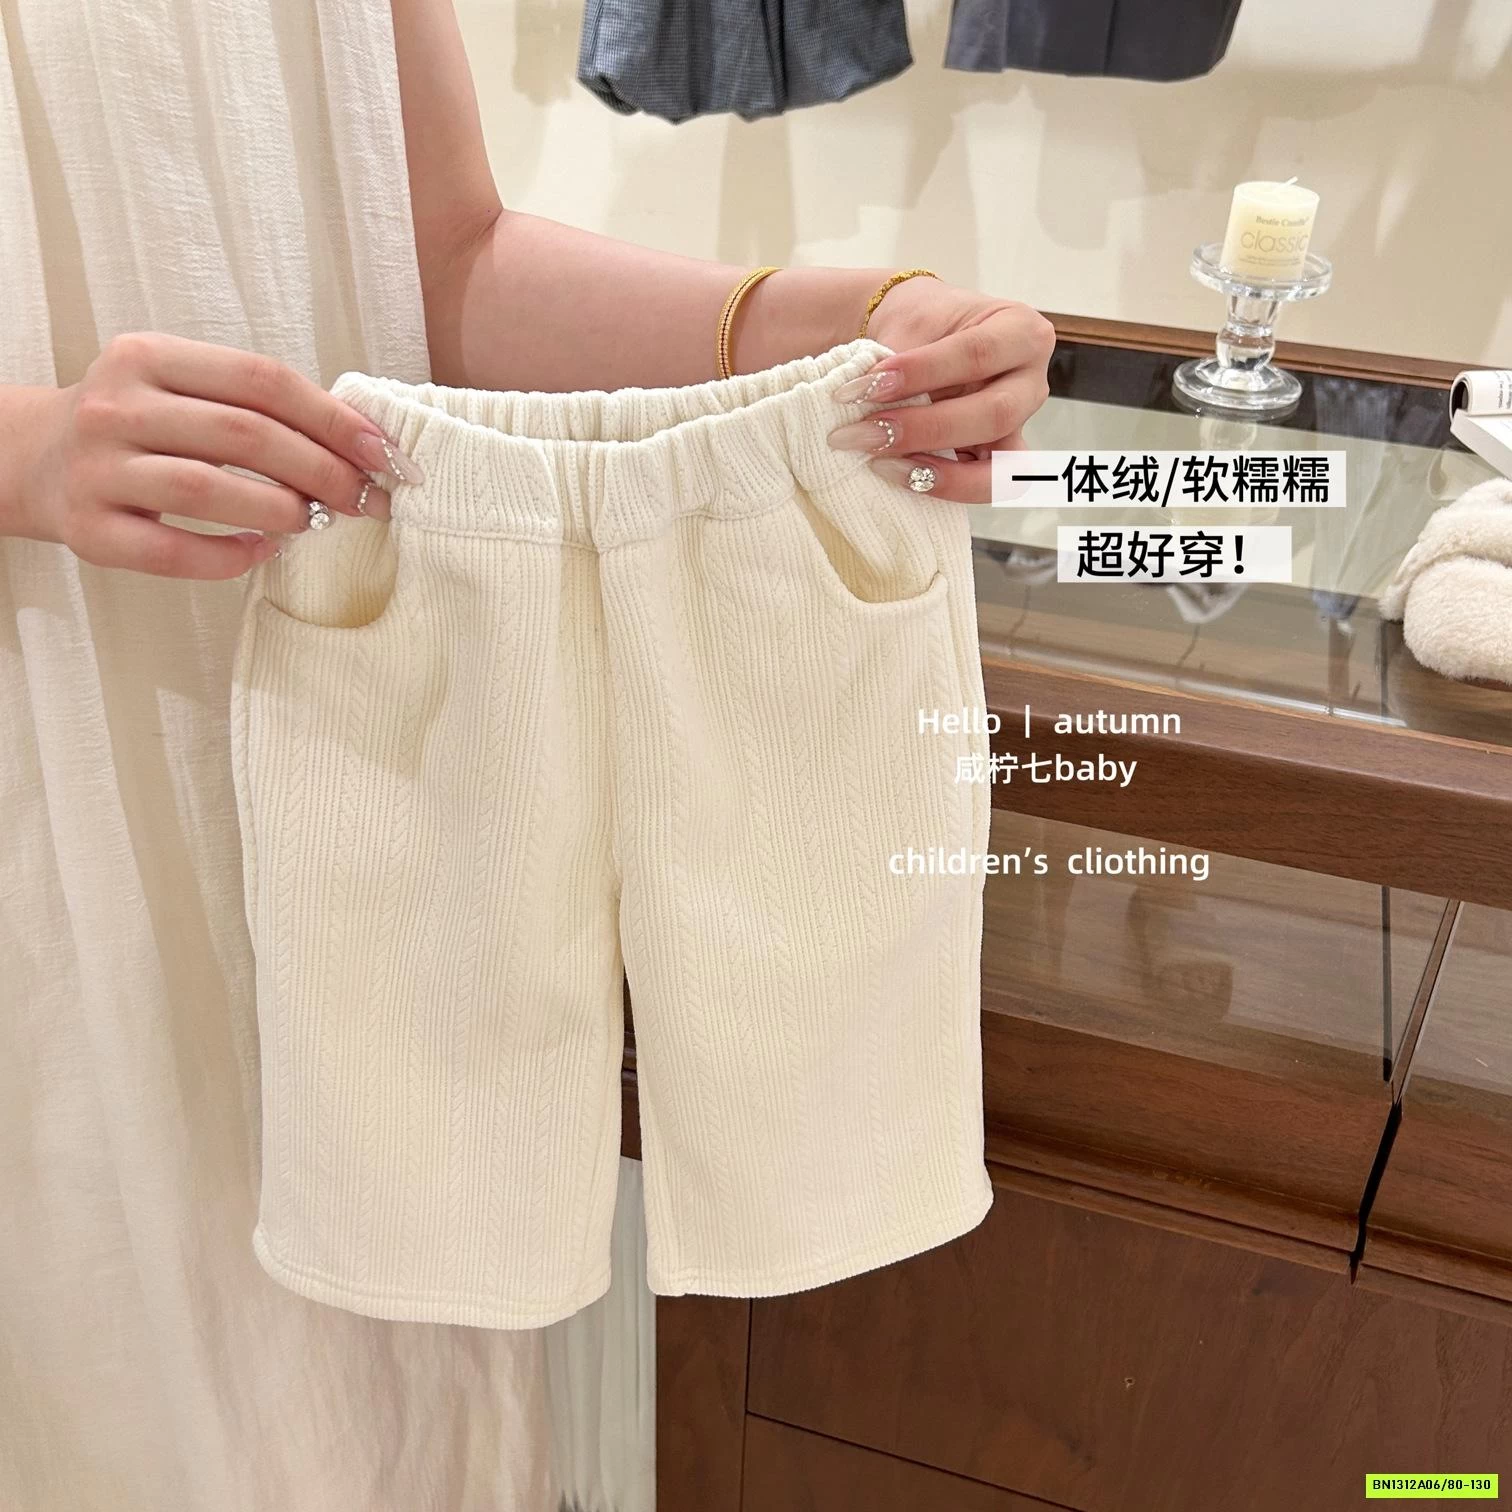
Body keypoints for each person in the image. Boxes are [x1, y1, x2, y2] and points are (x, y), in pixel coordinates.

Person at [0, 0, 1054, 1506]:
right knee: (104, 1364)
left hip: (370, 696)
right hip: (55, 734)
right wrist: (26, 450)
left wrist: (863, 324)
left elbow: (446, 259)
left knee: (376, 1369)